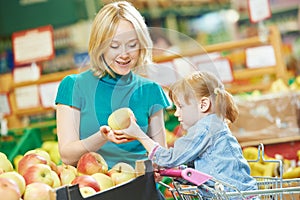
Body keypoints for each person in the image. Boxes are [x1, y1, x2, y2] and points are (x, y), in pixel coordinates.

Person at [55, 1, 170, 171]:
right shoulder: (73, 86)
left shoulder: (151, 90)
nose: (124, 54)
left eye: (132, 45)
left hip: (143, 189)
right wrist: (102, 137)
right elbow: (66, 155)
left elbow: (161, 157)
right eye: (114, 46)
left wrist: (159, 168)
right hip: (96, 190)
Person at [115, 71, 258, 197]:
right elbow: (203, 173)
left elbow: (170, 158)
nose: (176, 113)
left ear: (203, 105)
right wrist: (173, 172)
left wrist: (139, 135)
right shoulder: (213, 125)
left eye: (180, 107)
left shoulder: (205, 128)